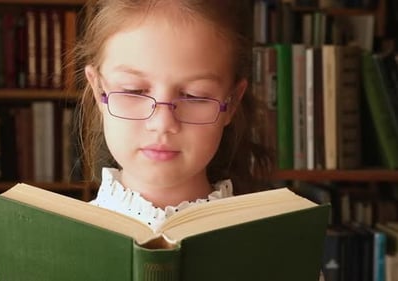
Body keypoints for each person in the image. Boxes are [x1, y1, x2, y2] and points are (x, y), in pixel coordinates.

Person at [73, 0, 273, 229]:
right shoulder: (60, 243)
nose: (162, 123)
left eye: (193, 96)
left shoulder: (268, 244)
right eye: (134, 91)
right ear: (99, 91)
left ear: (232, 102)